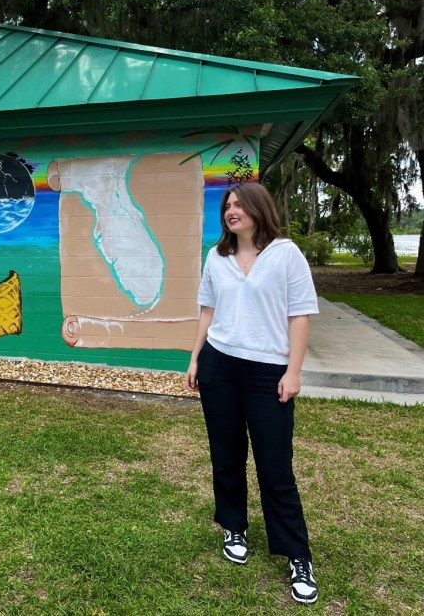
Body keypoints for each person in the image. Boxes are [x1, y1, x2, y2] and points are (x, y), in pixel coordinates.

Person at [185, 182, 319, 605]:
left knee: (275, 466)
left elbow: (299, 316)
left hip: (268, 372)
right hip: (219, 365)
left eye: (240, 204)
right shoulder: (217, 256)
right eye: (228, 206)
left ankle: (297, 555)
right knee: (226, 455)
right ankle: (234, 526)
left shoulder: (286, 254)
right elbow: (208, 311)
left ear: (261, 208)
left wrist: (293, 371)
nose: (231, 210)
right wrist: (195, 359)